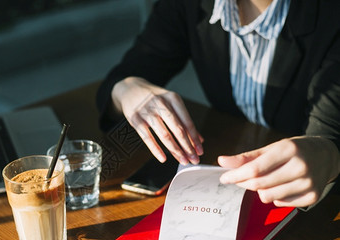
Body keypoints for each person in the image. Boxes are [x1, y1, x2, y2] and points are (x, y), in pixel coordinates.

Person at [96, 0, 340, 209]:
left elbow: (329, 135)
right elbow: (122, 78)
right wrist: (126, 88)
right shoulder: (189, 5)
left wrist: (329, 156)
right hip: (231, 185)